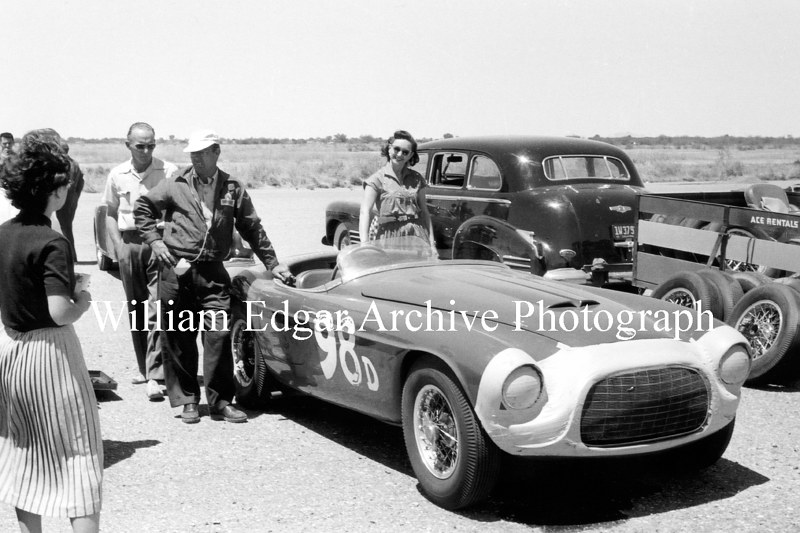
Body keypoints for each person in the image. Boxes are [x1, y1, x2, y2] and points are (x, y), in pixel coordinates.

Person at [134, 129, 292, 424]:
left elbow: (252, 228)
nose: (195, 157)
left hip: (213, 273)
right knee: (179, 337)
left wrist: (273, 263)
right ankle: (188, 401)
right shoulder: (176, 183)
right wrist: (155, 241)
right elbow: (142, 207)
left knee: (218, 335)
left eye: (202, 152)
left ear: (216, 152)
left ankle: (220, 402)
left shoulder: (232, 187)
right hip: (176, 270)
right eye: (192, 153)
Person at [0, 129, 102, 532]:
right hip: (53, 357)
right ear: (53, 190)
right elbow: (59, 311)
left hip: (15, 352)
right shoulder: (52, 240)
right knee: (80, 454)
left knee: (26, 455)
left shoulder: (3, 233)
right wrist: (82, 300)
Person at [103, 122, 178, 400]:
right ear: (128, 145)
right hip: (130, 244)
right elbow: (109, 211)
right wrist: (118, 247)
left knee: (157, 306)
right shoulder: (117, 174)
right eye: (140, 145)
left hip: (159, 243)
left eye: (151, 145)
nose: (146, 150)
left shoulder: (168, 171)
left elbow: (177, 209)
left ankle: (156, 374)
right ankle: (144, 367)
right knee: (135, 307)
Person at [359, 130, 435, 249]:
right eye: (396, 149)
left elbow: (424, 212)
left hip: (416, 236)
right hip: (389, 236)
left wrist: (432, 243)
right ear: (389, 149)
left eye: (405, 152)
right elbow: (365, 212)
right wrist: (364, 244)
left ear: (410, 155)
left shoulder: (417, 178)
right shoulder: (377, 179)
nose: (399, 154)